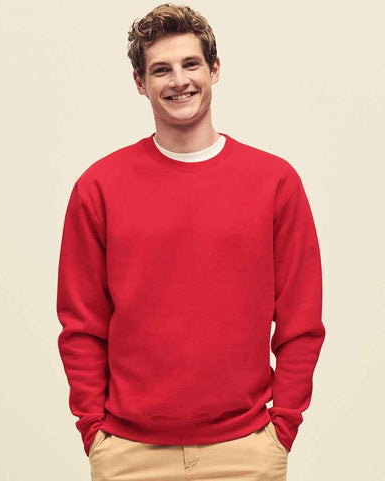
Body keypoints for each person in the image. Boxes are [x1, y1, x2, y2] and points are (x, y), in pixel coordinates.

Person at [56, 3, 326, 480]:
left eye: (190, 64)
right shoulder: (99, 188)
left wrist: (282, 425)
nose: (178, 80)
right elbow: (82, 324)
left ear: (214, 69)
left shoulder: (274, 182)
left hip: (246, 451)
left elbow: (300, 320)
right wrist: (94, 430)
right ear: (140, 82)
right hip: (129, 453)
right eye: (161, 69)